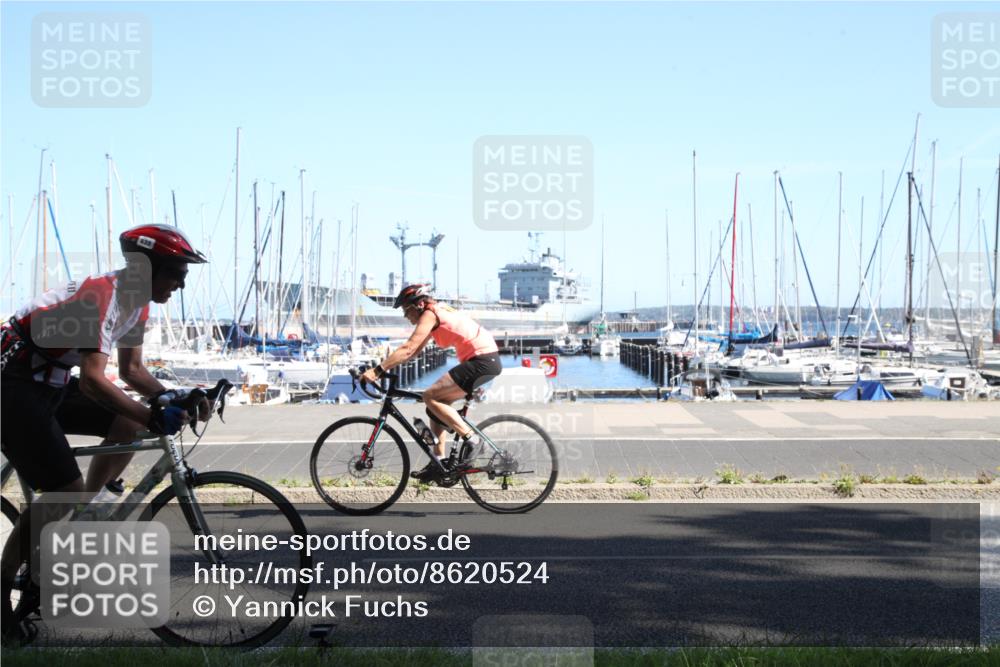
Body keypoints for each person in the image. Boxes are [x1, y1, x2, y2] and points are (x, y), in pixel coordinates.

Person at [0, 223, 208, 644]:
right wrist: (154, 417)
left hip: (50, 379)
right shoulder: (104, 296)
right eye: (176, 274)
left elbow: (132, 373)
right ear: (147, 268)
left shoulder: (139, 303)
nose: (181, 284)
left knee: (128, 421)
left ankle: (84, 516)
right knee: (62, 490)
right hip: (14, 379)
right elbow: (95, 381)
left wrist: (174, 398)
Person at [361, 284, 502, 482]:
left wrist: (377, 371)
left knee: (430, 396)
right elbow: (414, 351)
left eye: (406, 310)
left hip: (482, 360)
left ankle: (473, 441)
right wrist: (388, 367)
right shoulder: (435, 313)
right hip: (484, 360)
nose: (405, 316)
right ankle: (438, 460)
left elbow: (409, 348)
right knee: (435, 406)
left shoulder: (430, 314)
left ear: (419, 305)